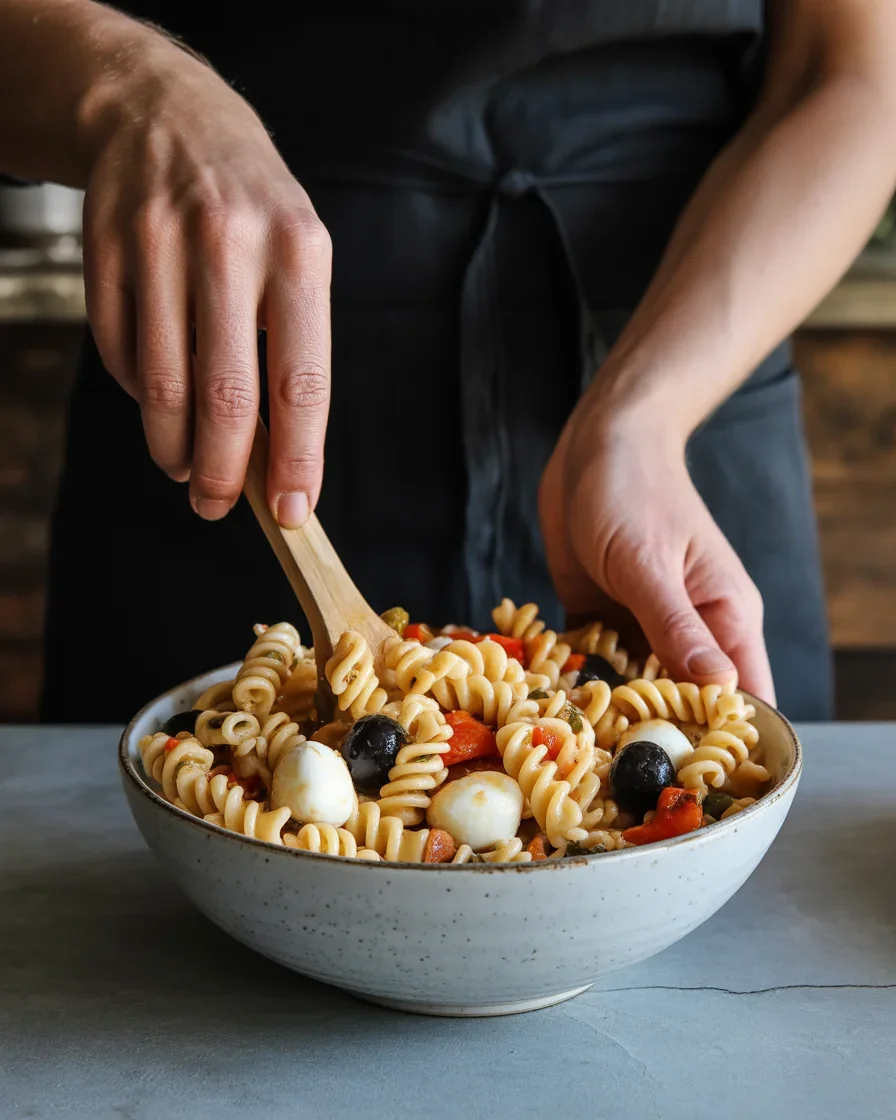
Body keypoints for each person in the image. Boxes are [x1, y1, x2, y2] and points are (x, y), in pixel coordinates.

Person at [2, 1, 894, 724]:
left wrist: (645, 417)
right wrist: (130, 84)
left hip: (684, 374)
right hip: (225, 348)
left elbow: (853, 75)